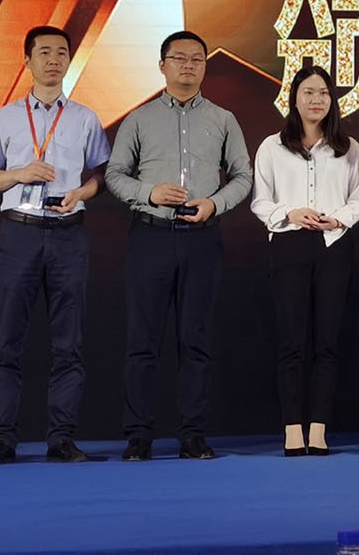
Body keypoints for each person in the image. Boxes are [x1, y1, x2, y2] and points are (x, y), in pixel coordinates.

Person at [105, 30, 253, 461]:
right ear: (162, 65)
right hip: (150, 235)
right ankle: (138, 436)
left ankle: (193, 434)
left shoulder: (223, 119)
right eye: (179, 58)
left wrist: (214, 203)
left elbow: (243, 176)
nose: (188, 65)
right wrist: (148, 192)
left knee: (196, 340)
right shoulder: (139, 118)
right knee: (142, 341)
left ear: (205, 66)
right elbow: (115, 174)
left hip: (202, 238)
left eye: (197, 59)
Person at [0, 26, 110, 465]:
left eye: (61, 52)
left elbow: (101, 175)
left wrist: (81, 193)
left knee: (68, 341)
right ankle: (2, 439)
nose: (54, 59)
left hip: (68, 231)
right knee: (6, 339)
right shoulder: (6, 116)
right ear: (28, 61)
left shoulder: (85, 117)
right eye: (45, 52)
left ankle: (62, 439)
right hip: (20, 232)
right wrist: (20, 173)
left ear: (69, 60)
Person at [251, 66, 359, 456]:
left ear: (332, 100)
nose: (316, 100)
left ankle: (319, 428)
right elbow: (260, 201)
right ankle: (292, 429)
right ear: (294, 98)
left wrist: (338, 219)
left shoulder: (348, 148)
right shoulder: (272, 147)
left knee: (327, 342)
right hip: (288, 244)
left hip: (334, 245)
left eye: (323, 93)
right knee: (291, 342)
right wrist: (290, 213)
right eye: (308, 92)